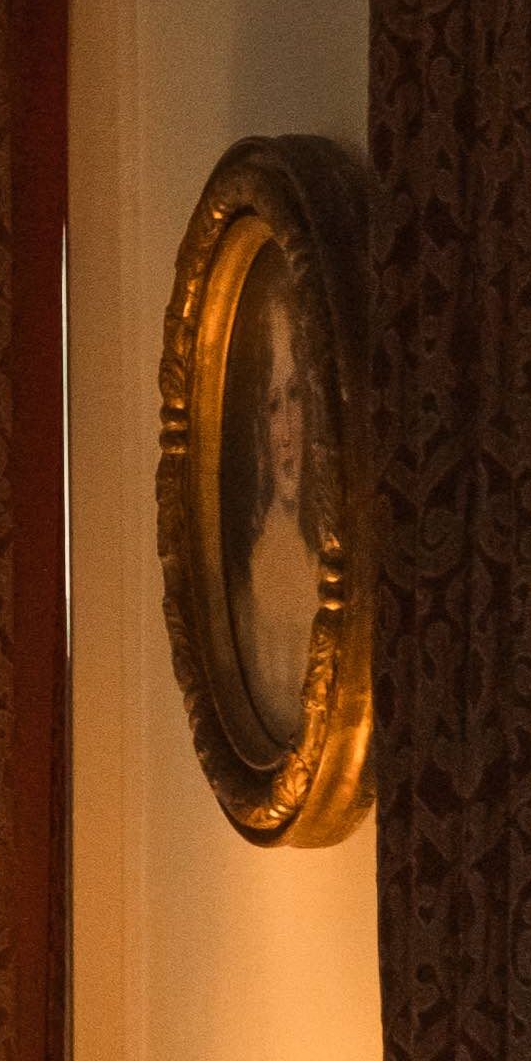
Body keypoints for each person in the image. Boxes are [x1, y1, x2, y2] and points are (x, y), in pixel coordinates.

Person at [225, 260, 326, 743]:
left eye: (295, 398)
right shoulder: (264, 561)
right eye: (272, 406)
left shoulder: (324, 544)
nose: (286, 432)